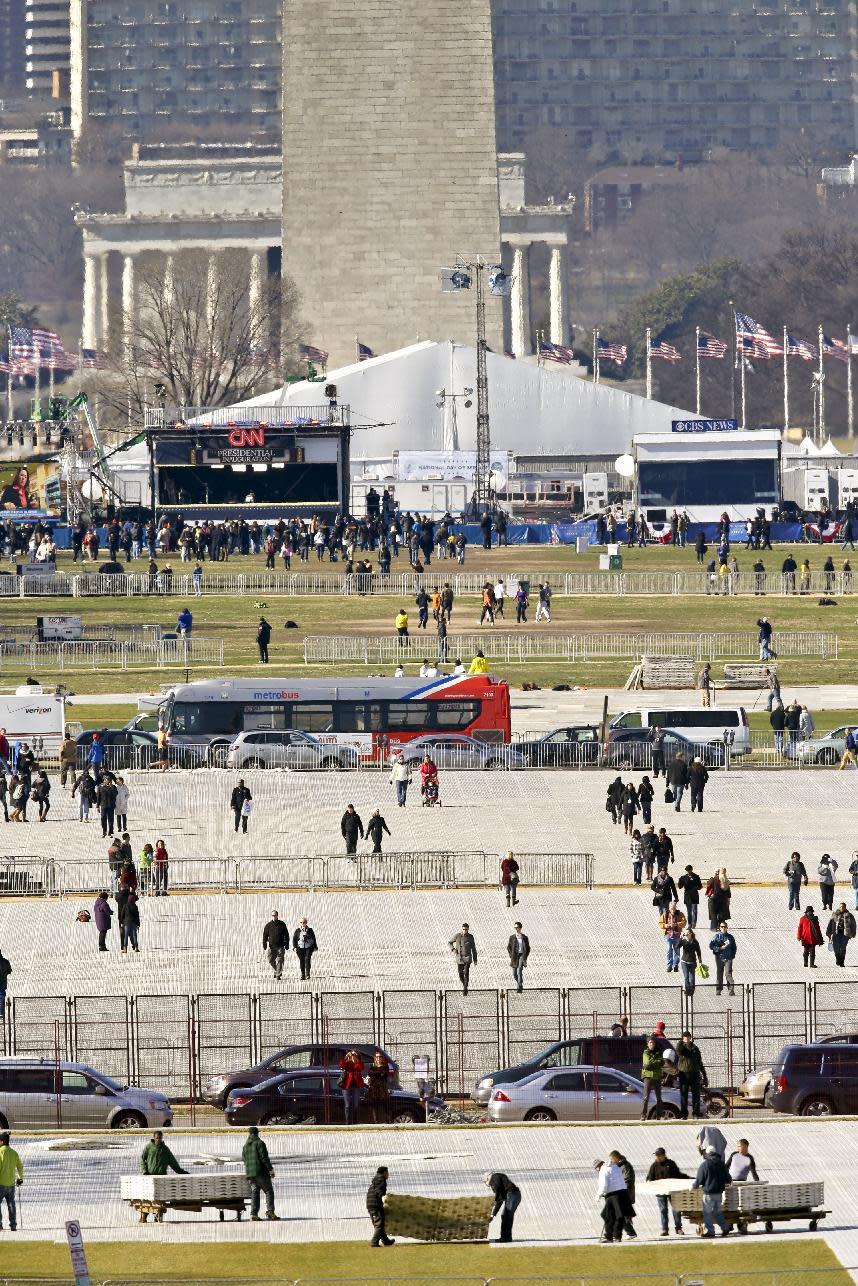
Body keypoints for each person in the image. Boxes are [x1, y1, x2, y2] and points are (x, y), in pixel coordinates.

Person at [646, 1147, 688, 1237]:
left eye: (658, 1155)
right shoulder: (654, 1165)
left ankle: (678, 1228)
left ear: (664, 1155)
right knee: (663, 1210)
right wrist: (649, 1181)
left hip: (673, 1191)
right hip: (660, 1192)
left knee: (676, 1209)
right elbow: (650, 1177)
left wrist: (688, 1178)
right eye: (656, 1155)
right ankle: (665, 1229)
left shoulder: (671, 1164)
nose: (657, 1157)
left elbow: (678, 1175)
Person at [693, 1146, 732, 1238]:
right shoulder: (721, 1164)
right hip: (719, 1193)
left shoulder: (705, 1164)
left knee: (707, 1212)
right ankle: (725, 1227)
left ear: (707, 1153)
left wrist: (694, 1186)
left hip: (708, 1193)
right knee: (717, 1212)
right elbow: (728, 1178)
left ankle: (710, 1231)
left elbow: (699, 1179)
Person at [243, 1125, 278, 1221]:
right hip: (260, 1172)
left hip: (250, 1174)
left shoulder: (245, 1146)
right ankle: (270, 1212)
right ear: (257, 1133)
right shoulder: (259, 1143)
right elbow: (264, 1158)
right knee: (268, 1191)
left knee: (255, 1192)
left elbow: (244, 1160)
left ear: (249, 1134)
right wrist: (270, 1170)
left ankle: (254, 1214)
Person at [595, 1153, 630, 1243]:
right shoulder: (615, 1167)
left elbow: (604, 1185)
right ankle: (617, 1236)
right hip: (623, 1193)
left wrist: (598, 1195)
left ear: (598, 1167)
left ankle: (609, 1236)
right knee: (619, 1215)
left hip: (613, 1195)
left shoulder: (604, 1170)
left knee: (607, 1215)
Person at [677, 1030, 707, 1119]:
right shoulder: (682, 1048)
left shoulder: (695, 1048)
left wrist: (704, 1075)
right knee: (683, 1095)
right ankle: (684, 1114)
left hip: (694, 1074)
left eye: (688, 1037)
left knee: (696, 1095)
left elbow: (700, 1062)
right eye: (685, 1037)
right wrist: (681, 1041)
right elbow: (678, 1050)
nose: (687, 1038)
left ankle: (696, 1114)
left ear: (690, 1038)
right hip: (684, 1074)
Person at [485, 1171, 521, 1243]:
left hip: (512, 1194)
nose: (491, 1187)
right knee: (506, 1216)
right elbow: (499, 1201)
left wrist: (494, 1199)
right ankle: (506, 1238)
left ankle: (506, 1238)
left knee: (507, 1216)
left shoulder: (495, 1177)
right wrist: (493, 1215)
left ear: (488, 1178)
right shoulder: (499, 1184)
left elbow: (497, 1190)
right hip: (515, 1195)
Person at [0, 1131, 23, 1231]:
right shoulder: (14, 1153)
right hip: (11, 1184)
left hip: (1, 1183)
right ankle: (13, 1225)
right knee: (11, 1204)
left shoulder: (0, 1152)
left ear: (1, 1142)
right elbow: (20, 1166)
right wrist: (19, 1178)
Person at [366, 1166, 394, 1247]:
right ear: (384, 1173)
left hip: (371, 1203)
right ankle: (374, 1242)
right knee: (379, 1224)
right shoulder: (381, 1180)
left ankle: (385, 1241)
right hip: (375, 1204)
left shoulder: (377, 1179)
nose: (388, 1174)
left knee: (379, 1223)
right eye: (387, 1173)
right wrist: (386, 1197)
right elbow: (379, 1192)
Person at [449, 922, 477, 994]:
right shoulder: (457, 936)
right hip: (459, 957)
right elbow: (449, 942)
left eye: (466, 929)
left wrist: (475, 959)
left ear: (468, 929)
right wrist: (453, 949)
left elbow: (473, 948)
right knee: (460, 973)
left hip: (467, 957)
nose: (465, 930)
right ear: (462, 929)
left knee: (466, 973)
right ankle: (465, 986)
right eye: (463, 929)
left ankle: (465, 989)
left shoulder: (470, 937)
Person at [710, 921, 736, 996]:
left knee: (728, 973)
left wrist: (732, 955)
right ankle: (718, 989)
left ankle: (731, 990)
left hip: (728, 958)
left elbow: (734, 947)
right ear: (719, 928)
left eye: (724, 927)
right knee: (719, 973)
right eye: (722, 927)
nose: (723, 928)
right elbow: (711, 946)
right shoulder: (716, 936)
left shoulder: (730, 937)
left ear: (727, 928)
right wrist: (719, 948)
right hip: (719, 958)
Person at [826, 902, 857, 967]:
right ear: (839, 907)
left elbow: (854, 925)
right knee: (836, 947)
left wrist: (853, 933)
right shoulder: (834, 914)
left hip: (845, 934)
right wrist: (828, 932)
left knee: (843, 948)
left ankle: (842, 962)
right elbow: (830, 923)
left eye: (843, 907)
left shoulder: (849, 915)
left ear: (845, 907)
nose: (842, 908)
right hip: (835, 933)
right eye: (840, 906)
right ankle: (838, 958)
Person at [339, 1049, 365, 1125]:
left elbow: (361, 1068)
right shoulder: (347, 1062)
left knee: (356, 1104)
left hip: (356, 1085)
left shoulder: (359, 1062)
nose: (353, 1056)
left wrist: (356, 1060)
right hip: (346, 1085)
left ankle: (355, 1121)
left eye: (355, 1055)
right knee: (347, 1105)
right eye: (352, 1055)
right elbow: (341, 1065)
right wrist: (346, 1057)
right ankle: (347, 1122)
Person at [640, 1036, 664, 1119]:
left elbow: (661, 1062)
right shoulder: (645, 1053)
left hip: (657, 1077)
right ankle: (643, 1115)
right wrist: (656, 1062)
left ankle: (659, 1115)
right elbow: (647, 1065)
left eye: (653, 1043)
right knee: (646, 1097)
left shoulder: (658, 1052)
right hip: (648, 1076)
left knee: (659, 1098)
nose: (652, 1044)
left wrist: (654, 1063)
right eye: (650, 1043)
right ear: (647, 1044)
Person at [365, 1050, 391, 1124]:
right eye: (377, 1057)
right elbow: (370, 1074)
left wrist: (376, 1073)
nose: (378, 1058)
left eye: (380, 1057)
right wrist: (378, 1073)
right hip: (373, 1088)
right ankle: (376, 1121)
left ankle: (387, 1120)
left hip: (382, 1087)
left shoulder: (385, 1066)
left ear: (382, 1058)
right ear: (375, 1058)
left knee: (385, 1104)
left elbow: (384, 1074)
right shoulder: (372, 1066)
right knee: (374, 1105)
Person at [660, 902, 686, 973]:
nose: (673, 910)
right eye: (671, 908)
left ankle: (676, 965)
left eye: (674, 908)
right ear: (669, 908)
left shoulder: (680, 914)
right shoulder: (665, 914)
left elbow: (684, 922)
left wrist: (677, 924)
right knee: (669, 949)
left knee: (677, 951)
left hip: (677, 935)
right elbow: (660, 923)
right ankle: (669, 965)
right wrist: (665, 926)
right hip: (668, 934)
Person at [263, 910, 288, 980]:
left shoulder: (282, 924)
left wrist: (287, 944)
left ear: (277, 916)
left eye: (275, 915)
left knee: (280, 960)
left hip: (280, 946)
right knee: (270, 960)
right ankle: (277, 970)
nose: (274, 917)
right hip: (272, 946)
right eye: (272, 915)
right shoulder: (268, 925)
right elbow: (265, 935)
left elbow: (286, 934)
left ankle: (278, 974)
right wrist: (264, 944)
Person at [507, 921, 530, 993]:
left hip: (521, 955)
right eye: (515, 928)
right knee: (514, 974)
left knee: (519, 970)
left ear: (520, 928)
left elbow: (528, 948)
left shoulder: (524, 937)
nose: (516, 929)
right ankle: (519, 984)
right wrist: (511, 955)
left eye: (517, 927)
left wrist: (525, 956)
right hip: (514, 957)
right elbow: (508, 947)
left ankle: (519, 987)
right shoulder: (512, 937)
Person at [679, 929, 702, 996]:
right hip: (684, 962)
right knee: (686, 977)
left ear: (691, 934)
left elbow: (698, 952)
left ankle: (691, 990)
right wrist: (681, 938)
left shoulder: (695, 942)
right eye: (685, 933)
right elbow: (677, 946)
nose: (687, 934)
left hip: (692, 962)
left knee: (692, 977)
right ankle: (687, 990)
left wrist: (700, 961)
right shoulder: (684, 941)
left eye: (688, 933)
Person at [0, 948, 10, 1017]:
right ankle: (1, 1012)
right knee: (1, 996)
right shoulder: (5, 962)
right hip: (2, 983)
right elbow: (9, 971)